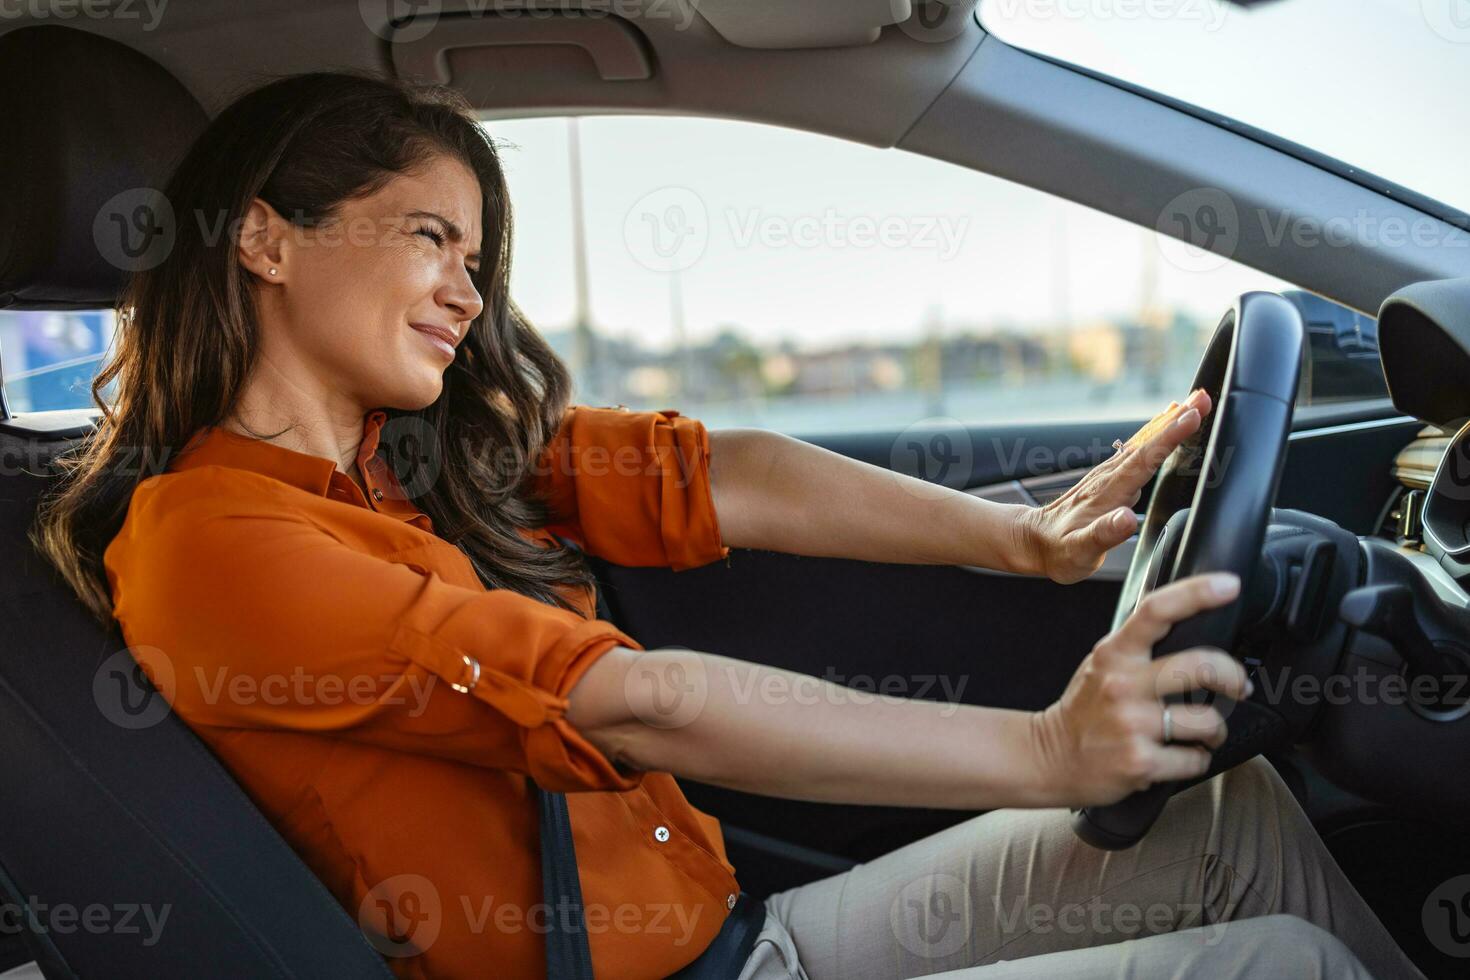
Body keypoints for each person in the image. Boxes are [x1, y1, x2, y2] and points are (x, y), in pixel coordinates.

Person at [32, 71, 1421, 980]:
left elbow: (725, 474)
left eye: (474, 255)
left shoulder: (417, 463)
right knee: (1274, 969)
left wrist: (1021, 540)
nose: (465, 290)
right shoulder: (211, 539)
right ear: (266, 240)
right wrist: (1044, 750)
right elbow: (642, 703)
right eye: (424, 237)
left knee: (1232, 818)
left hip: (740, 941)